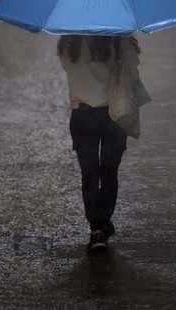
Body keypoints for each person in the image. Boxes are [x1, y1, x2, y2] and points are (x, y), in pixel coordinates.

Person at [57, 34, 141, 253]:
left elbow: (67, 67)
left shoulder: (69, 42)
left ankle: (97, 227)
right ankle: (101, 223)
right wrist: (127, 41)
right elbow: (133, 64)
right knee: (109, 170)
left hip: (83, 115)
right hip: (114, 114)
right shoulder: (117, 37)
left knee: (90, 173)